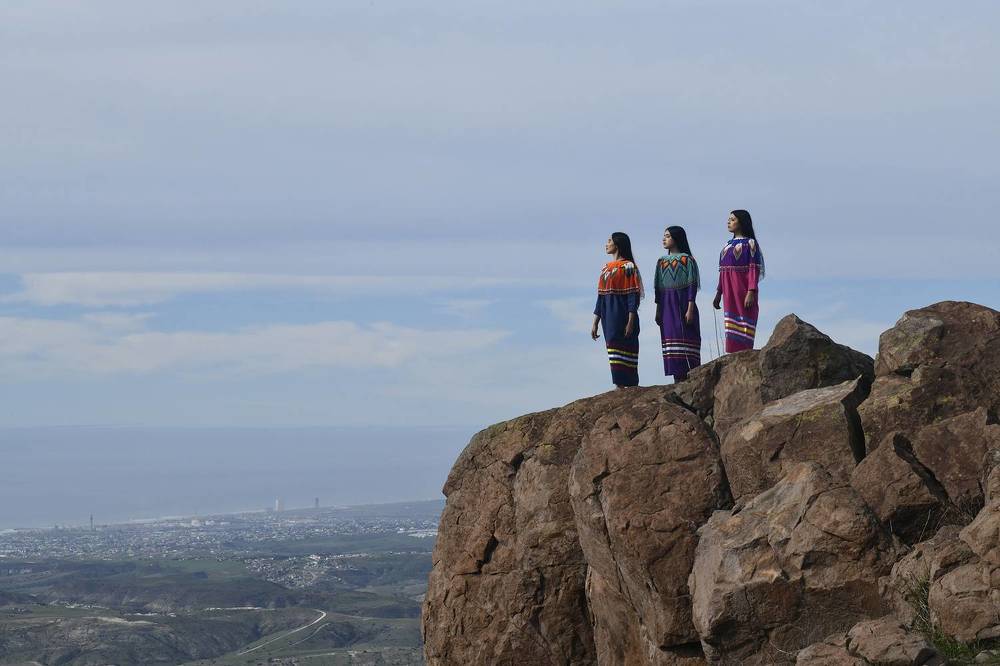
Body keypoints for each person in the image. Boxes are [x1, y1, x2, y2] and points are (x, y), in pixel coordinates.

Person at [591, 232, 644, 388]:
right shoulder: (606, 268)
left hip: (623, 313)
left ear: (618, 244)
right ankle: (618, 386)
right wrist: (595, 321)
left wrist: (631, 320)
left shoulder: (629, 266)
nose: (606, 244)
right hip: (608, 315)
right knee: (613, 348)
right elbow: (600, 297)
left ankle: (631, 385)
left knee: (628, 348)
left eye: (609, 241)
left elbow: (632, 295)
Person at [713, 209, 765, 352]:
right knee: (730, 321)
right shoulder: (726, 245)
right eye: (729, 219)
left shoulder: (751, 243)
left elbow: (754, 268)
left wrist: (751, 290)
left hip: (743, 288)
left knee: (744, 318)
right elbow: (722, 271)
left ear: (742, 222)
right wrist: (719, 293)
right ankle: (733, 354)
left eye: (733, 219)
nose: (729, 222)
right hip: (728, 290)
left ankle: (745, 352)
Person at [654, 226, 701, 381]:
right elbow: (658, 289)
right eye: (664, 236)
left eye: (667, 236)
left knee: (685, 338)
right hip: (667, 307)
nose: (664, 239)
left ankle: (690, 380)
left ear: (676, 238)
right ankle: (676, 380)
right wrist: (658, 309)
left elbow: (691, 285)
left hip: (683, 305)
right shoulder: (661, 262)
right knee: (671, 341)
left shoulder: (687, 260)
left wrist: (690, 308)